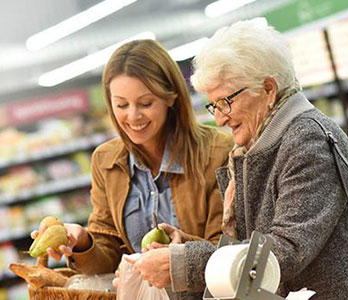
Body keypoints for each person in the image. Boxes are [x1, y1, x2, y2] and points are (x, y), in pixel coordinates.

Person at [135, 20, 348, 299]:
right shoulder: (256, 148)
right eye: (213, 106)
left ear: (268, 89)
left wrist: (185, 264)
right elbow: (256, 246)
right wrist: (186, 249)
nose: (220, 118)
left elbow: (285, 251)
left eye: (226, 102)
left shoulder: (308, 140)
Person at [31, 39, 234, 277]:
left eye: (145, 103)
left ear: (171, 97)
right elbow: (109, 255)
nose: (133, 116)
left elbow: (228, 248)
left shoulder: (217, 151)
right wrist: (82, 242)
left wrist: (180, 258)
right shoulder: (106, 160)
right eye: (121, 104)